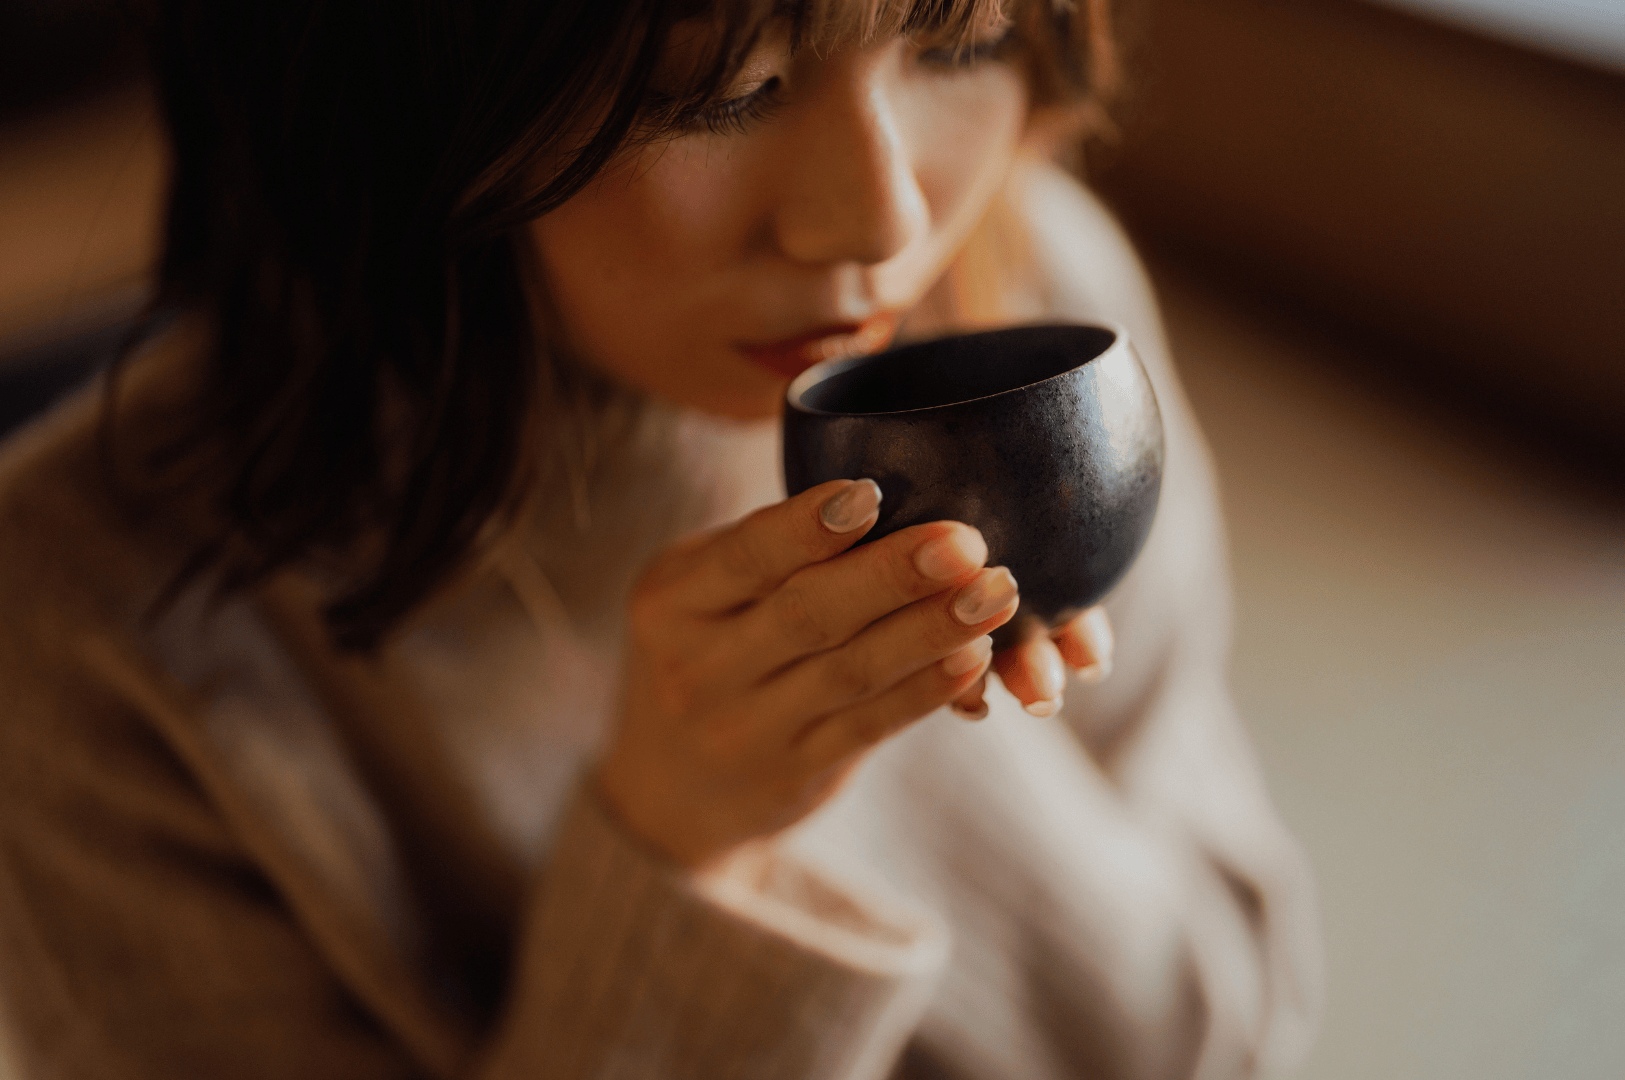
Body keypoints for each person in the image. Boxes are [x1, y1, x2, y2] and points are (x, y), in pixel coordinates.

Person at [0, 0, 1322, 1076]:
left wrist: (902, 721)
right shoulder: (78, 634)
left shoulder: (1032, 312)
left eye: (959, 40)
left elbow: (1221, 1029)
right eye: (722, 91)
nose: (884, 225)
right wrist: (685, 852)